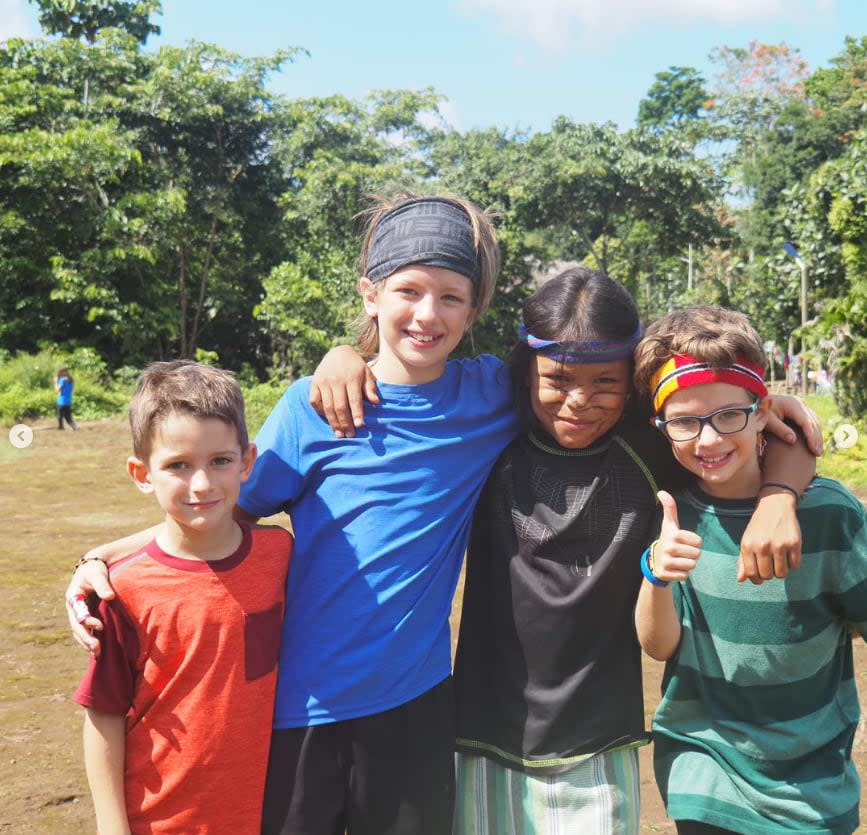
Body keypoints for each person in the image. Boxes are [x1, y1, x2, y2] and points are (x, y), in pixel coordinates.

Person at [66, 195, 820, 833]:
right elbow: (213, 510)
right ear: (370, 294)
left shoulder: (492, 395)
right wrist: (105, 559)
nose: (427, 313)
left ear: (474, 308)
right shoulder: (317, 406)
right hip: (299, 706)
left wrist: (769, 420)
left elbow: (668, 390)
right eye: (407, 291)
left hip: (419, 708)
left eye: (450, 296)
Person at [451, 271, 816, 834]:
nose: (579, 401)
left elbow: (776, 431)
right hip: (483, 733)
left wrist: (777, 495)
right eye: (557, 378)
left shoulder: (651, 444)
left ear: (633, 386)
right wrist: (347, 358)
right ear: (526, 373)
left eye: (606, 382)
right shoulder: (486, 432)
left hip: (601, 739)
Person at [633, 305, 867, 835]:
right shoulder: (672, 511)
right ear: (662, 426)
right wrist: (657, 574)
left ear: (762, 411)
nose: (709, 439)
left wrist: (782, 496)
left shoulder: (830, 516)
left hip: (810, 789)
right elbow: (659, 646)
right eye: (685, 421)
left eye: (728, 416)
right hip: (705, 770)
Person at [71, 360, 292, 834]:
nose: (202, 484)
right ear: (141, 472)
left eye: (220, 461)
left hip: (266, 816)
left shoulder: (280, 555)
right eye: (178, 465)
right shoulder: (120, 591)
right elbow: (103, 716)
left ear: (247, 461)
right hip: (162, 821)